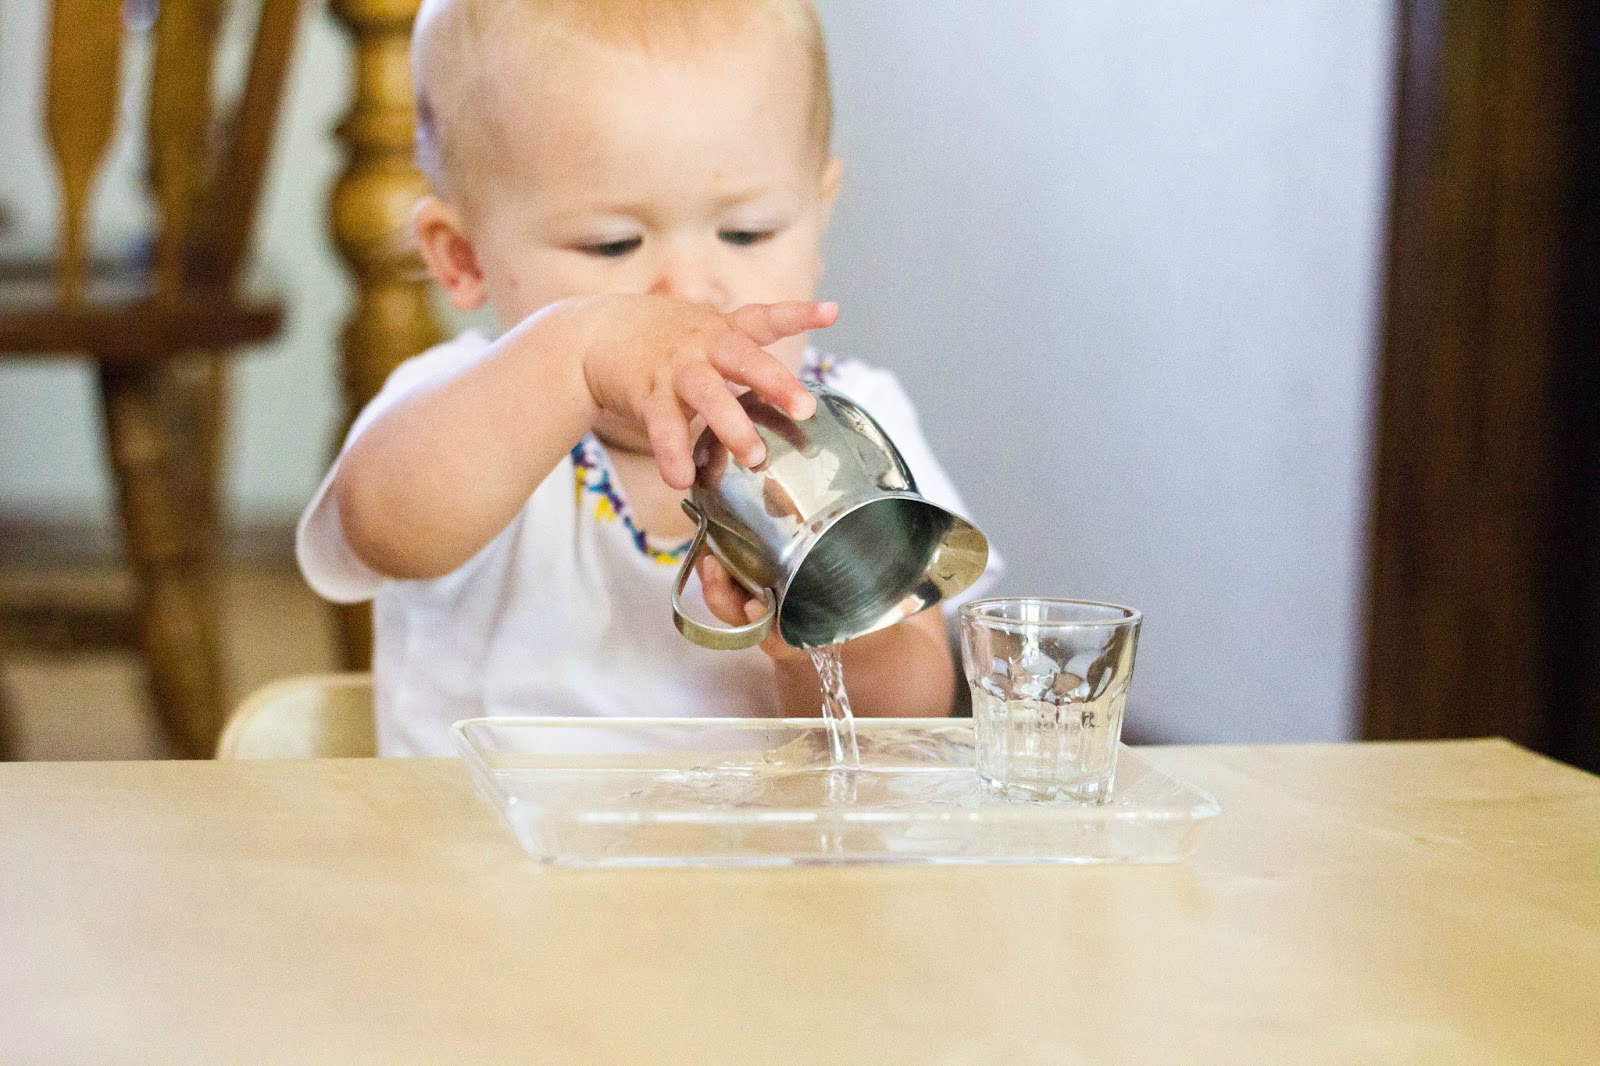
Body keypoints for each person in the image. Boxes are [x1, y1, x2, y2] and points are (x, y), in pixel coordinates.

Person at [297, 0, 1002, 755]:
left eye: (745, 232)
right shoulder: (463, 406)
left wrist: (836, 617)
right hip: (488, 866)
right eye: (613, 245)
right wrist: (579, 354)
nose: (690, 291)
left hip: (767, 874)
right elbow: (382, 528)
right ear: (462, 257)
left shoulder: (850, 427)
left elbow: (903, 723)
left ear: (817, 217)